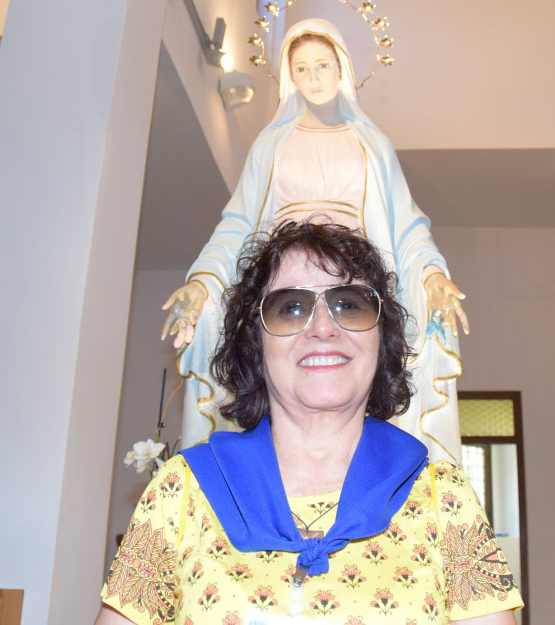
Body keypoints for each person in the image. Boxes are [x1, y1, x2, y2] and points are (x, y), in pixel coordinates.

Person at [98, 222, 522, 624]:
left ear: (381, 339)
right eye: (291, 308)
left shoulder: (444, 498)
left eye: (349, 305)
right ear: (256, 343)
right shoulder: (181, 492)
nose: (322, 327)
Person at [161, 18, 469, 463]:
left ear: (342, 68)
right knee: (282, 379)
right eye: (301, 68)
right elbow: (238, 225)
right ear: (289, 76)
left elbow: (405, 226)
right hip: (287, 280)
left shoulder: (372, 144)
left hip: (352, 277)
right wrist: (203, 282)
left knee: (354, 377)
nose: (314, 77)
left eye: (322, 65)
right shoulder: (271, 144)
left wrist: (432, 275)